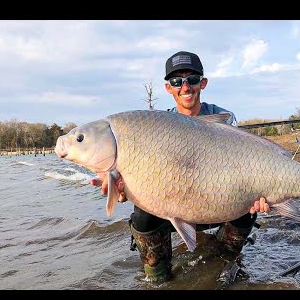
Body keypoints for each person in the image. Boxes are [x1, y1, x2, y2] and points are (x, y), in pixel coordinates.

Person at [92, 51, 269, 282]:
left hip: (218, 202)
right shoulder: (158, 126)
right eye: (177, 81)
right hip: (175, 204)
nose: (185, 87)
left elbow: (243, 165)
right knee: (143, 215)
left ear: (202, 83)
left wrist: (262, 192)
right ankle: (158, 275)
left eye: (192, 80)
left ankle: (224, 260)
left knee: (249, 207)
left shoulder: (224, 118)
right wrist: (123, 190)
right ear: (168, 88)